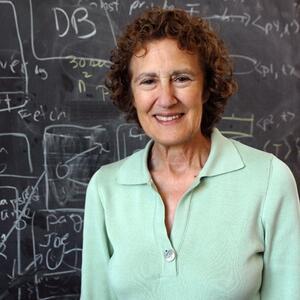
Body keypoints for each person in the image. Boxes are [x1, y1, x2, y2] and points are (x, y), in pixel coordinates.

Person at [81, 7, 300, 300]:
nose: (166, 98)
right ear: (131, 95)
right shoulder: (105, 188)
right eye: (148, 81)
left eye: (181, 78)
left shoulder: (269, 180)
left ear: (207, 87)